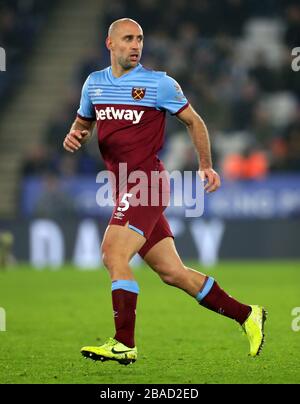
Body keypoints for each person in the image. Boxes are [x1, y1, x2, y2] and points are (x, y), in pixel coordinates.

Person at [63, 18, 267, 365]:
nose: (135, 45)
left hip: (147, 183)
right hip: (122, 186)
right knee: (173, 273)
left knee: (113, 254)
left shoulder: (158, 84)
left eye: (139, 39)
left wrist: (205, 165)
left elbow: (194, 121)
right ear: (109, 43)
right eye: (128, 39)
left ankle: (124, 342)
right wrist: (74, 135)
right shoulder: (94, 84)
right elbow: (83, 123)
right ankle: (247, 315)